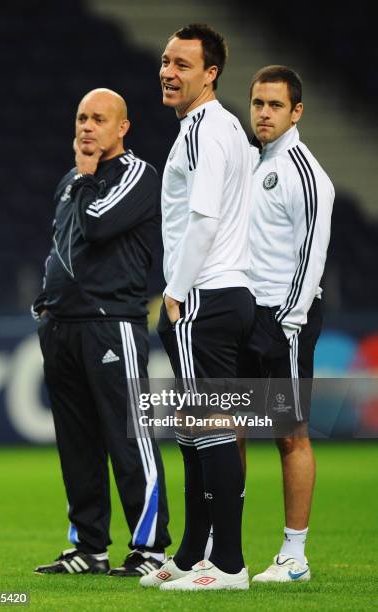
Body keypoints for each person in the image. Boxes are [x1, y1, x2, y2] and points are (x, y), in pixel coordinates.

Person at [32, 88, 171, 576]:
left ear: (122, 128)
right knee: (77, 444)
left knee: (130, 438)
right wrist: (47, 301)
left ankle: (150, 549)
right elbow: (61, 242)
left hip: (112, 326)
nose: (87, 127)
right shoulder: (71, 180)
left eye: (98, 119)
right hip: (63, 327)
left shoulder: (138, 174)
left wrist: (87, 176)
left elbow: (95, 225)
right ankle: (89, 548)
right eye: (81, 118)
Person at [139, 24, 255, 591]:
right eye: (166, 60)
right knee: (195, 427)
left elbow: (205, 217)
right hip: (228, 290)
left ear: (209, 74)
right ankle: (189, 555)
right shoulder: (227, 127)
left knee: (209, 426)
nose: (168, 71)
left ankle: (228, 564)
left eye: (182, 64)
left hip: (203, 294)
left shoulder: (204, 130)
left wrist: (176, 293)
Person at [240, 65, 334, 583]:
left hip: (283, 318)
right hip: (243, 315)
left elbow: (311, 256)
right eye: (258, 103)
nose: (264, 113)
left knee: (289, 433)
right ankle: (220, 546)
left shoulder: (306, 172)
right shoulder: (255, 164)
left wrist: (288, 321)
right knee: (227, 427)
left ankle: (294, 555)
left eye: (275, 105)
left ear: (296, 111)